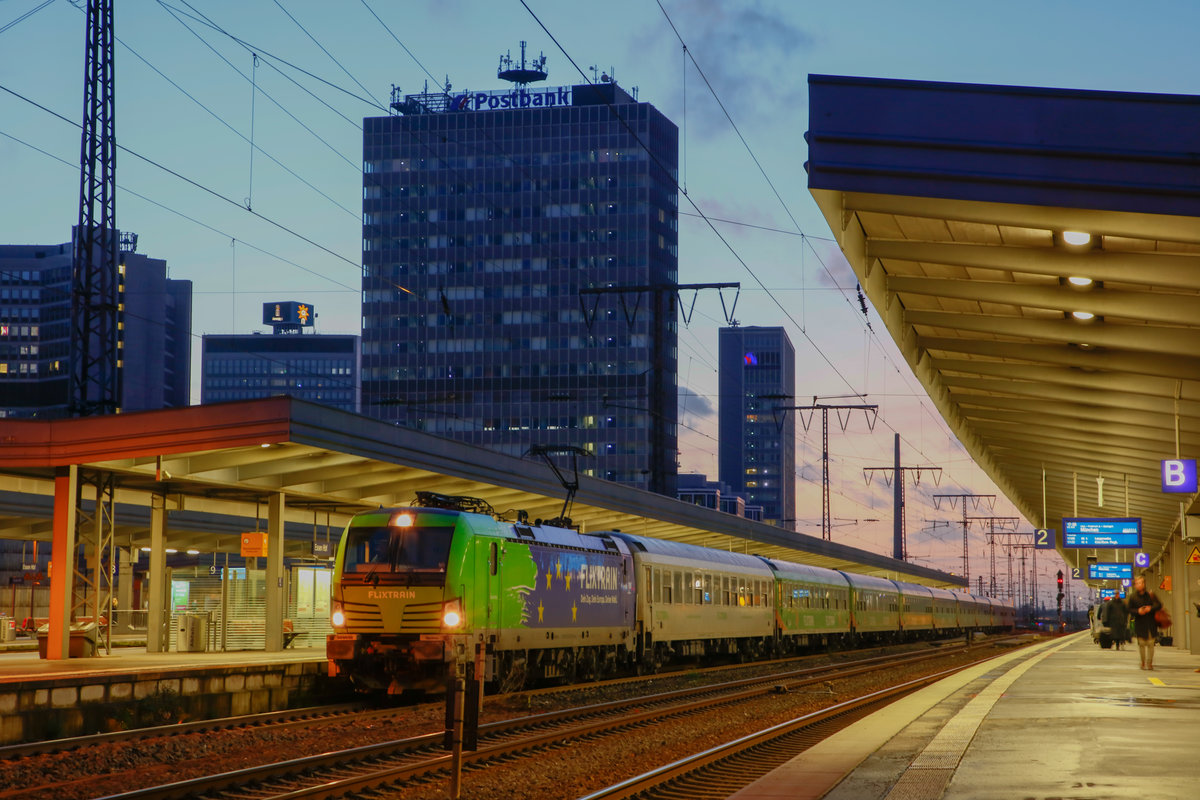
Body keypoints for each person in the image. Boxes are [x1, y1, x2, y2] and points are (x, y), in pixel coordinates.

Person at [1126, 574, 1163, 670]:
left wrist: (1150, 608)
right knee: (1142, 644)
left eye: (1141, 583)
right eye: (1138, 583)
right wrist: (1138, 611)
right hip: (1140, 623)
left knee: (1151, 644)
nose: (1140, 585)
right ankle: (1143, 662)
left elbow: (1159, 605)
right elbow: (1129, 609)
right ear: (1135, 585)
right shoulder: (1133, 597)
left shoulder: (1151, 595)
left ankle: (1149, 662)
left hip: (1151, 623)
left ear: (1144, 584)